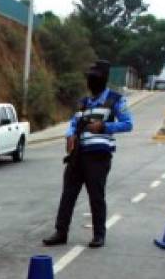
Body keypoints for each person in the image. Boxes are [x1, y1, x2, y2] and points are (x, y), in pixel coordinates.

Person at [43, 60, 133, 248]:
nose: (91, 81)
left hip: (99, 156)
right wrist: (69, 136)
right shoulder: (83, 102)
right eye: (90, 78)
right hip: (78, 155)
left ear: (104, 79)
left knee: (96, 196)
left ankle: (99, 235)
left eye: (95, 78)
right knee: (68, 194)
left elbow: (128, 124)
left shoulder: (115, 100)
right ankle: (61, 232)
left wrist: (104, 126)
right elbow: (73, 124)